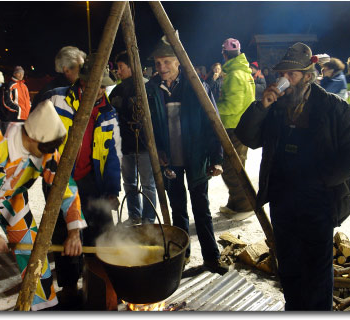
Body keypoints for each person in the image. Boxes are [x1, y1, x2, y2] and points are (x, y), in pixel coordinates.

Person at [235, 42, 350, 310]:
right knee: (290, 265)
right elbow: (247, 136)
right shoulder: (275, 107)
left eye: (291, 75)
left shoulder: (334, 108)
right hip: (282, 200)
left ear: (308, 76)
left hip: (318, 202)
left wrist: (321, 179)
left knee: (316, 272)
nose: (284, 80)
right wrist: (261, 106)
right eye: (281, 74)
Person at [0, 100, 87, 311]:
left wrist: (74, 231)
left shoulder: (47, 146)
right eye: (48, 148)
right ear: (31, 137)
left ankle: (43, 307)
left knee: (33, 251)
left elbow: (66, 188)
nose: (51, 153)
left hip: (13, 197)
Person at [39, 53, 121, 309]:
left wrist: (111, 190)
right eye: (96, 84)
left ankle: (102, 280)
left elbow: (112, 154)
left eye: (104, 85)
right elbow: (36, 133)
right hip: (60, 178)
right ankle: (69, 286)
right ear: (82, 82)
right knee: (66, 233)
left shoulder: (108, 111)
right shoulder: (56, 99)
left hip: (90, 178)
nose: (100, 91)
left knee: (102, 229)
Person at [146, 34, 227, 275]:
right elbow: (147, 124)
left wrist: (217, 158)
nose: (162, 68)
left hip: (196, 158)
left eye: (167, 62)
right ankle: (183, 256)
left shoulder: (196, 86)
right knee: (177, 210)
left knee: (201, 210)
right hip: (169, 160)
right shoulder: (151, 90)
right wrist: (157, 150)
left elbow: (213, 122)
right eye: (158, 63)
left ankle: (211, 257)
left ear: (179, 62)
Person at [109, 51, 157, 225]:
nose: (118, 71)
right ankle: (134, 215)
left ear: (131, 67)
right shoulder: (116, 91)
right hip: (124, 145)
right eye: (117, 68)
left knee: (148, 185)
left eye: (121, 67)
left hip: (144, 145)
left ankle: (149, 219)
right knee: (129, 183)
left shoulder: (148, 87)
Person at [217, 38, 255, 217]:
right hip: (242, 125)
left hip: (234, 127)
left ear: (224, 55)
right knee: (236, 167)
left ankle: (245, 206)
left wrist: (213, 108)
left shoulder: (234, 75)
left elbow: (232, 106)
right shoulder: (244, 72)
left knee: (231, 169)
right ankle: (235, 203)